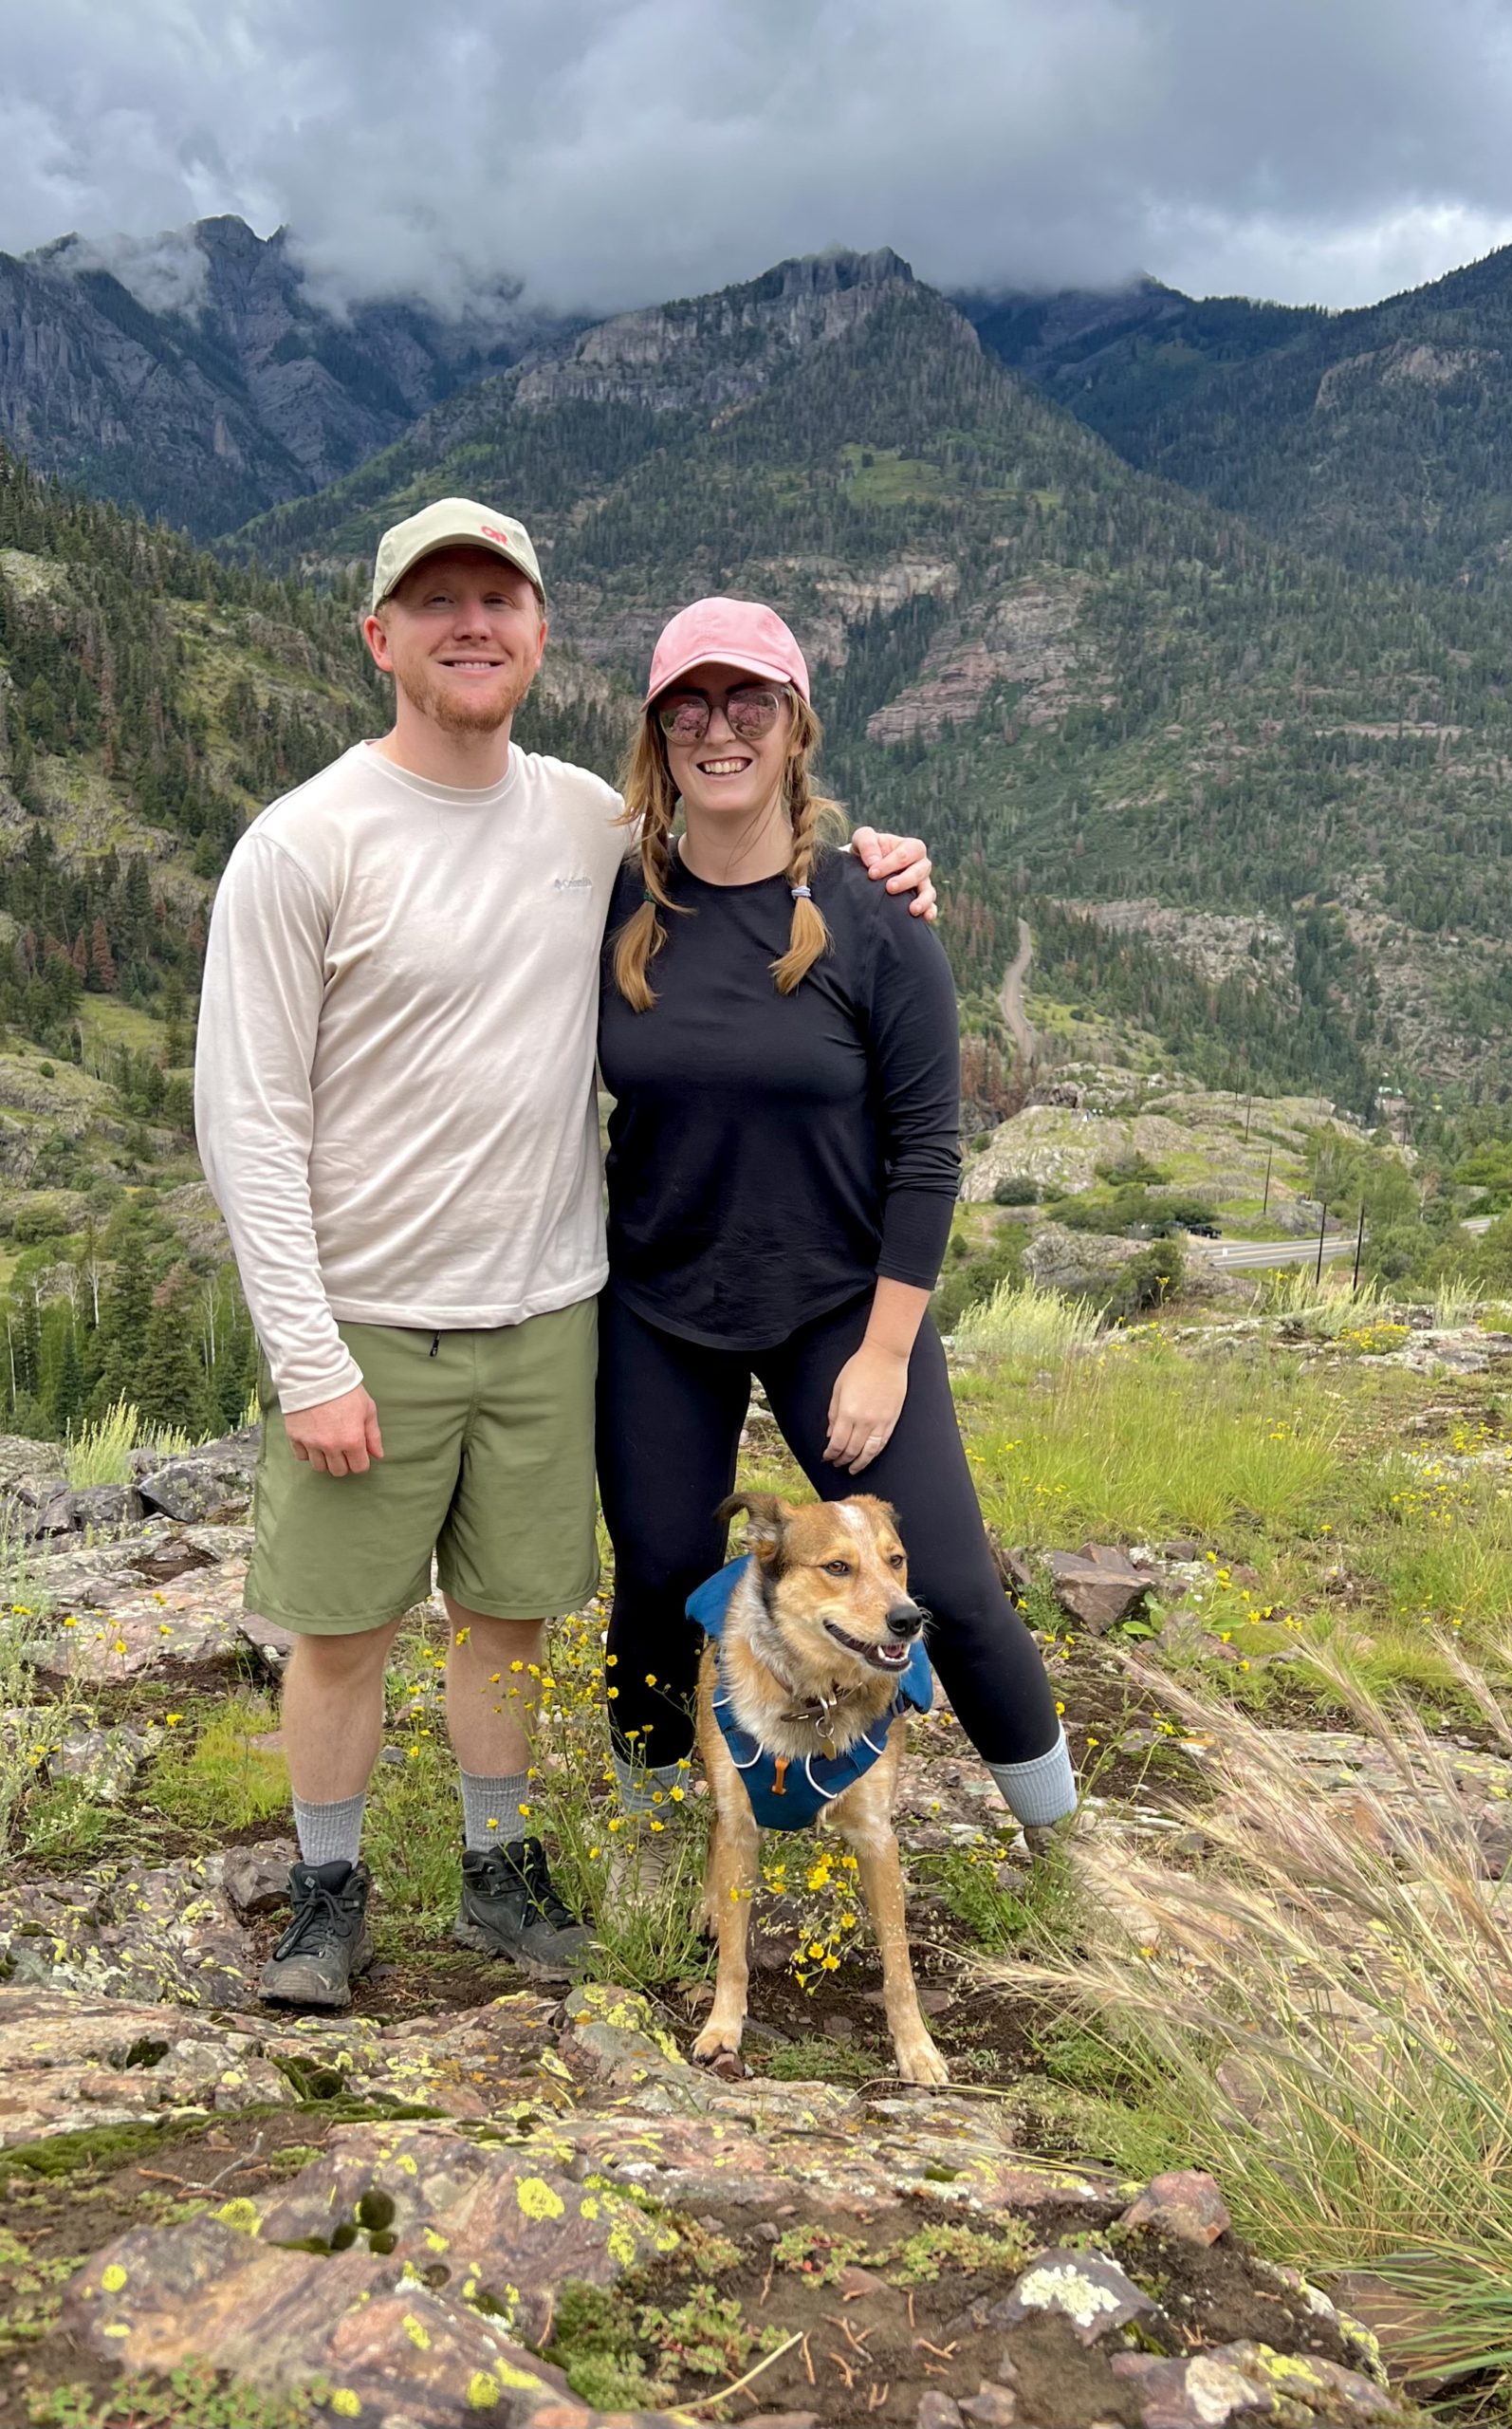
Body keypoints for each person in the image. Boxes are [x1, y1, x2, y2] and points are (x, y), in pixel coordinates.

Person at [194, 503, 935, 2011]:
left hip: (550, 1310)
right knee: (340, 1631)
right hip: (372, 1321)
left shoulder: (588, 822)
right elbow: (246, 1122)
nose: (470, 625)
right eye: (436, 603)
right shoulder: (304, 844)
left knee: (508, 1618)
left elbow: (747, 845)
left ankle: (496, 1871)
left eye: (499, 601)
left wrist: (878, 869)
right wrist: (307, 1356)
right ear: (380, 637)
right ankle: (327, 1890)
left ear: (538, 636)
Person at [596, 598, 1077, 1845]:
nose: (719, 731)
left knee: (958, 1592)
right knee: (655, 1579)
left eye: (747, 703)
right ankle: (660, 1837)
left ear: (794, 727)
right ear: (659, 735)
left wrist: (881, 1353)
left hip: (837, 1310)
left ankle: (1068, 1846)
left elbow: (928, 1152)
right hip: (660, 1308)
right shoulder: (615, 906)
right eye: (689, 707)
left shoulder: (875, 918)